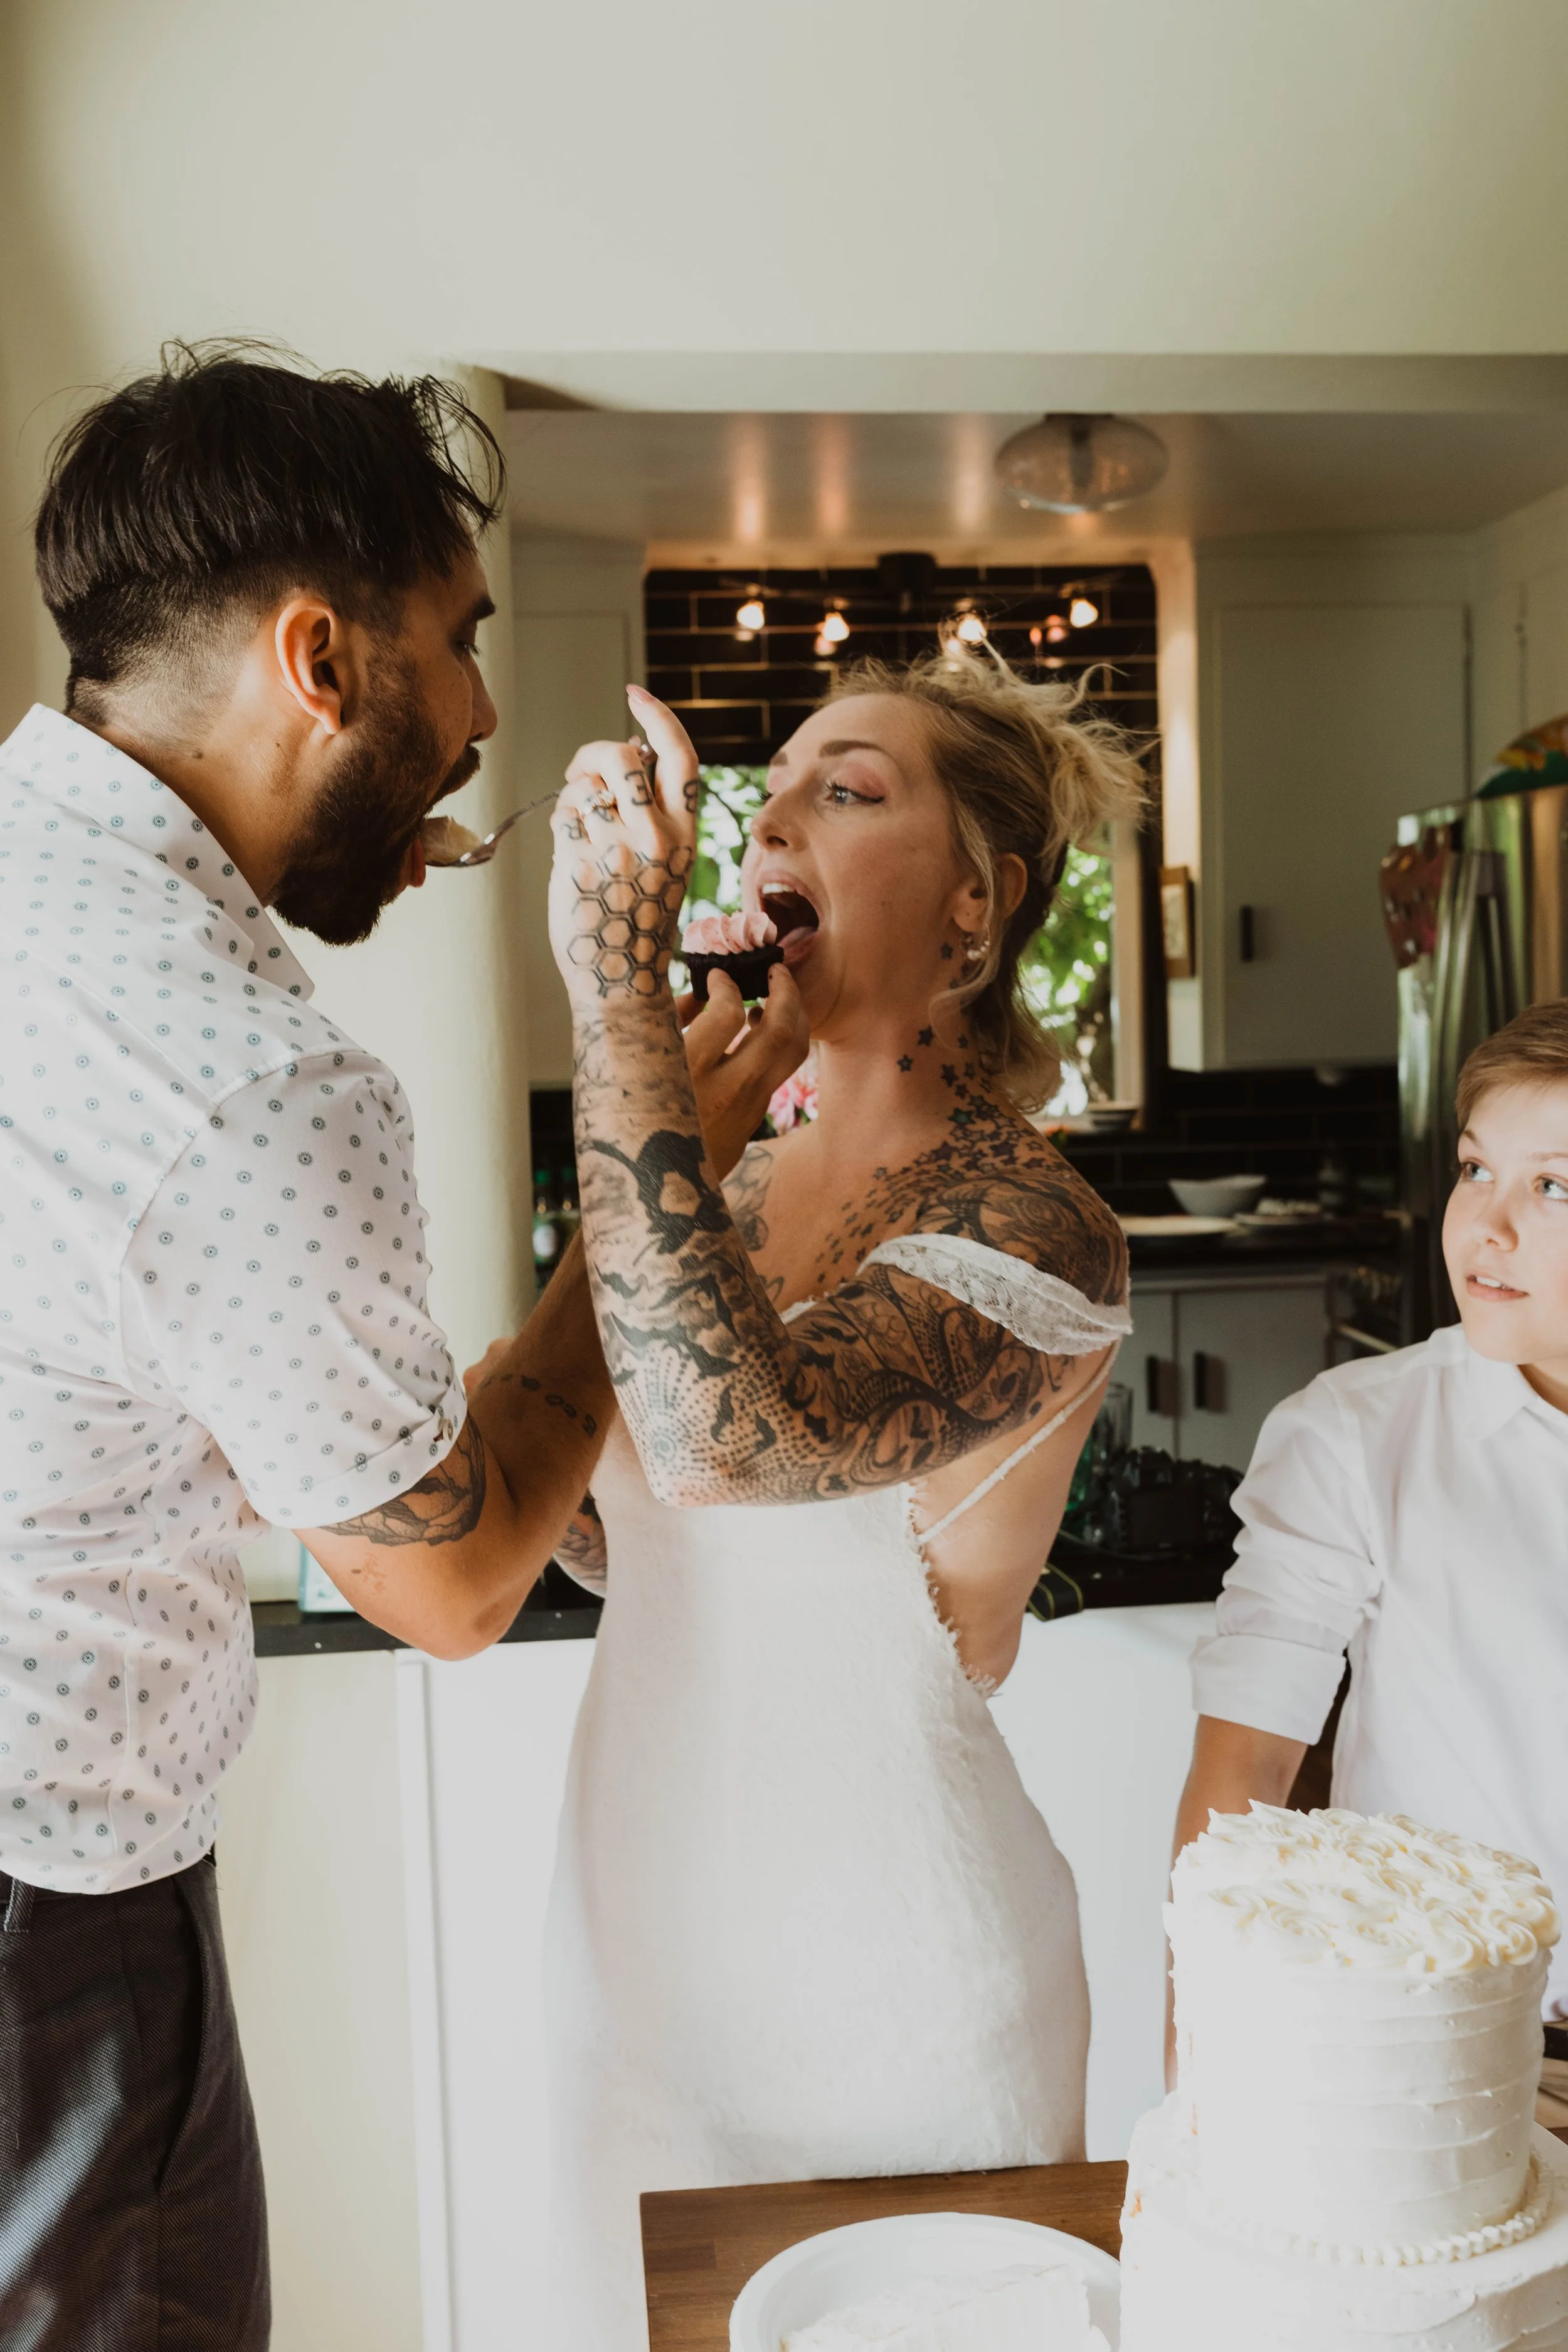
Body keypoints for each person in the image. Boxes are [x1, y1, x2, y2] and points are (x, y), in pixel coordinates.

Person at [0, 346, 800, 2351]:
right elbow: (447, 1580)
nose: (480, 717)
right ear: (319, 657)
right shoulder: (251, 1073)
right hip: (45, 1933)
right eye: (453, 640)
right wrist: (652, 1180)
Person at [541, 655, 1144, 2348]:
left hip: (893, 1994)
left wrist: (610, 1008)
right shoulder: (715, 1181)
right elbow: (607, 1532)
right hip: (636, 1957)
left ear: (979, 898)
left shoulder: (1037, 1219)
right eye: (777, 783)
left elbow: (723, 1441)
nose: (771, 814)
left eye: (851, 785)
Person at [1172, 997, 1568, 2058]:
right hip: (1445, 2054)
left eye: (1554, 1185)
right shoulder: (1353, 1436)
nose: (1487, 1223)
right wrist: (1201, 2083)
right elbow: (1243, 1773)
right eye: (1477, 1168)